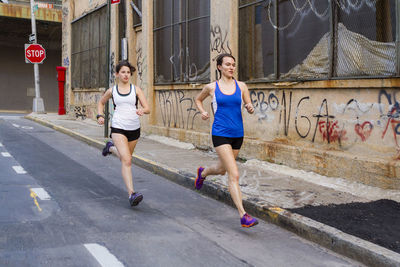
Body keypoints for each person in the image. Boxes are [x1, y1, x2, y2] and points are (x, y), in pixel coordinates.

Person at [194, 53, 258, 227]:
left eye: (233, 65)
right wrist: (203, 112)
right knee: (234, 174)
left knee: (222, 169)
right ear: (219, 67)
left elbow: (248, 104)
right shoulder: (211, 88)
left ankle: (203, 172)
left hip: (238, 134)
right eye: (228, 64)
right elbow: (198, 100)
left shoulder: (242, 86)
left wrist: (250, 107)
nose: (231, 67)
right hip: (220, 133)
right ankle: (243, 215)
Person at [97, 60, 150, 207]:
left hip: (134, 129)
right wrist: (100, 116)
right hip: (118, 127)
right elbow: (101, 102)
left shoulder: (136, 90)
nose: (126, 75)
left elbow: (147, 108)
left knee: (125, 158)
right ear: (117, 74)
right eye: (123, 72)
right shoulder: (112, 91)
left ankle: (111, 148)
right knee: (127, 160)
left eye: (128, 72)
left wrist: (142, 110)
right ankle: (131, 194)